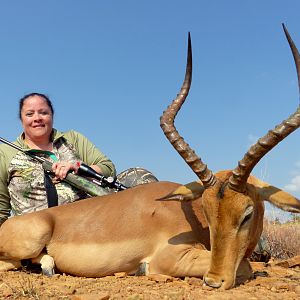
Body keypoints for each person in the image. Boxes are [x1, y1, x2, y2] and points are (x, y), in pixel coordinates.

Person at [0, 93, 158, 226]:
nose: (37, 118)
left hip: (87, 221)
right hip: (37, 229)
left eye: (43, 112)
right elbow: (1, 206)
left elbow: (108, 167)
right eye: (30, 114)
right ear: (21, 119)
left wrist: (77, 166)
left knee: (140, 177)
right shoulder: (6, 152)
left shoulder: (72, 138)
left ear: (52, 116)